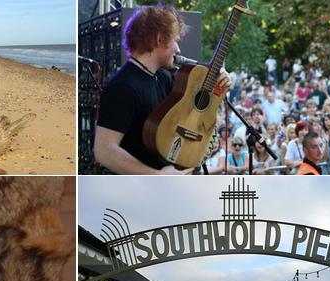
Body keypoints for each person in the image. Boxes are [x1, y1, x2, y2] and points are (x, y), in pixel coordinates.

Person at [94, 5, 231, 175]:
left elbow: (191, 113)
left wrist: (219, 83)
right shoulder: (122, 87)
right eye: (176, 40)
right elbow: (104, 151)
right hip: (135, 192)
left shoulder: (164, 77)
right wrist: (157, 175)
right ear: (159, 39)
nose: (178, 49)